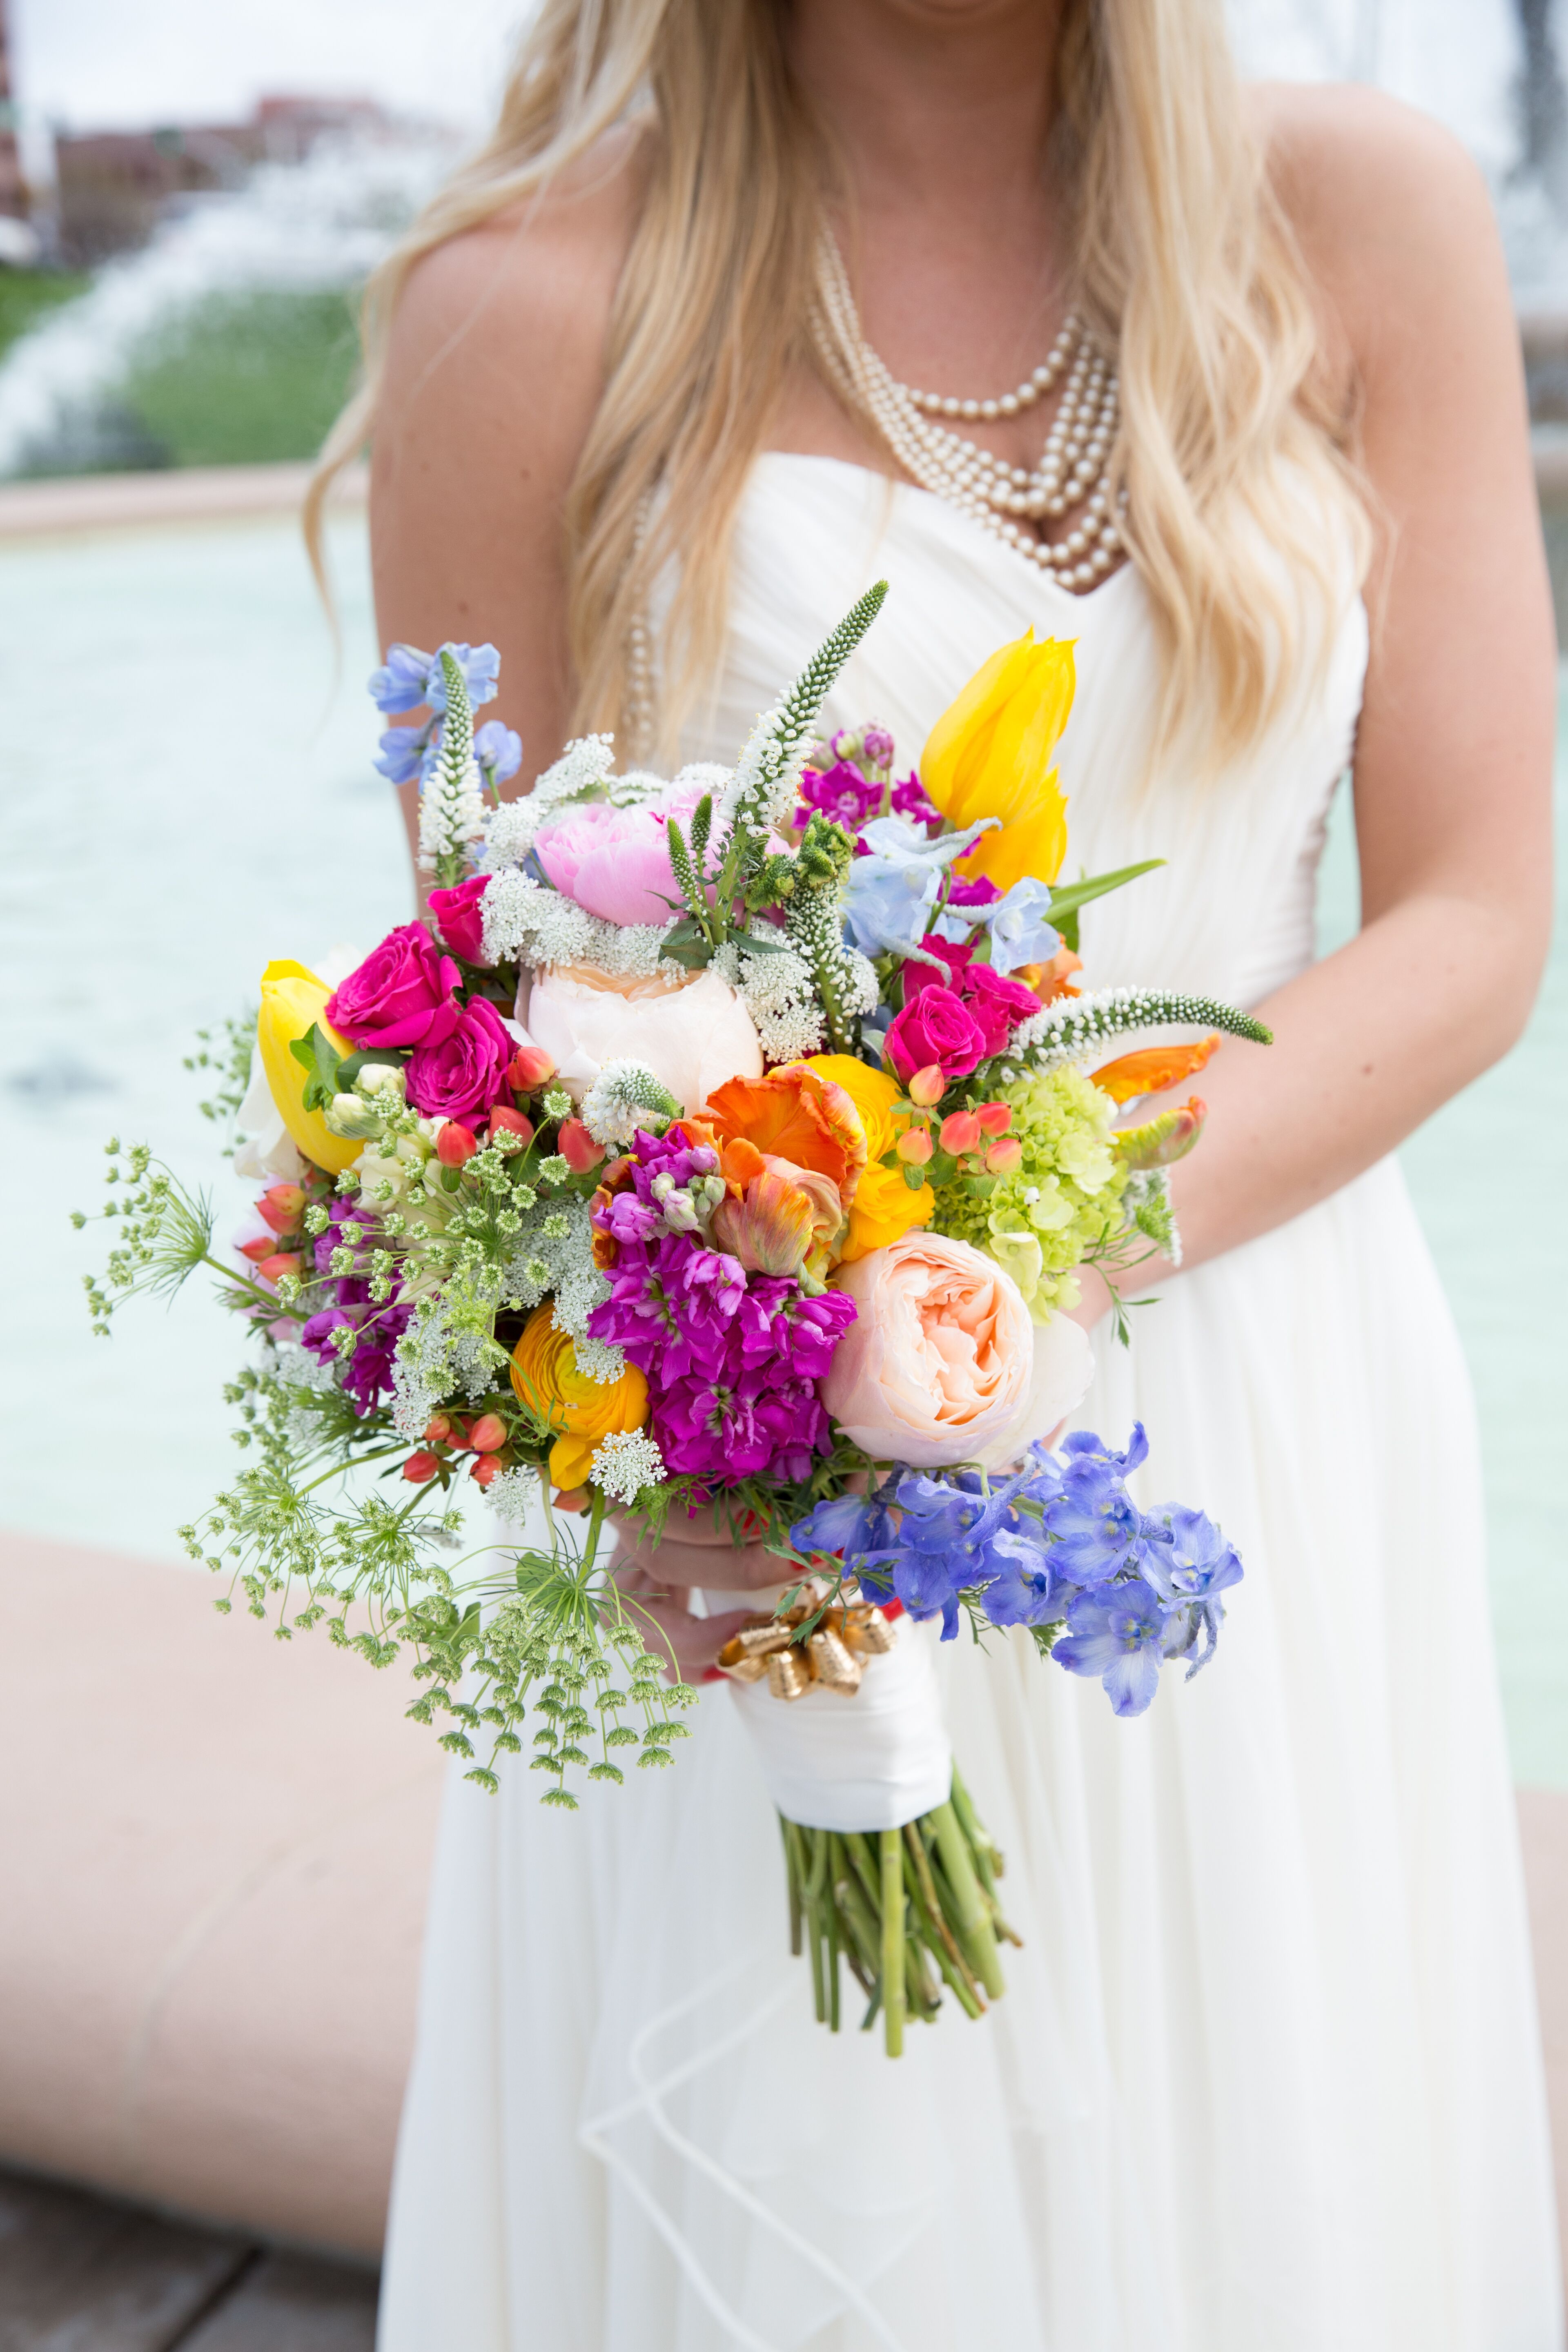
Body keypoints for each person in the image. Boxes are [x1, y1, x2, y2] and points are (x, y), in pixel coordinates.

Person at [315, 2, 1562, 2344]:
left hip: (1268, 1416)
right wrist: (698, 1424)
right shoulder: (523, 316)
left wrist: (1003, 1262)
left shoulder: (1362, 213)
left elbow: (1484, 915)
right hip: (799, 1507)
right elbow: (491, 1062)